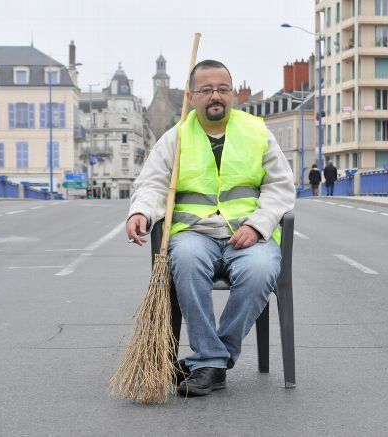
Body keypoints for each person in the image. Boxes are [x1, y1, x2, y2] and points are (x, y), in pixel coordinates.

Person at [126, 60, 295, 397]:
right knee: (185, 260)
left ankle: (212, 359)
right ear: (192, 96)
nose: (215, 96)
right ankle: (213, 360)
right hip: (194, 235)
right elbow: (152, 184)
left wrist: (259, 226)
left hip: (247, 236)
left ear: (232, 93)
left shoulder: (258, 132)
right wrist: (141, 211)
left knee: (262, 270)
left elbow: (281, 187)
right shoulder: (175, 138)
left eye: (222, 89)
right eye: (206, 90)